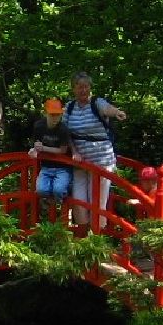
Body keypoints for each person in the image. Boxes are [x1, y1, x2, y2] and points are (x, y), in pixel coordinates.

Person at [63, 72, 127, 228]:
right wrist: (73, 151)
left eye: (86, 87)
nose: (83, 90)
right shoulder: (70, 108)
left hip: (101, 161)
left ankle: (98, 238)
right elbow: (63, 132)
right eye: (79, 87)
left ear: (90, 88)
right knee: (79, 201)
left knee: (97, 201)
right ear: (74, 89)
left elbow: (107, 109)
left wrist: (117, 112)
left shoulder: (96, 103)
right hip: (79, 162)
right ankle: (84, 237)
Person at [29, 98, 74, 216]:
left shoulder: (63, 129)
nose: (55, 118)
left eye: (57, 115)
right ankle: (51, 204)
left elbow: (63, 151)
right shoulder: (39, 126)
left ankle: (63, 196)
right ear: (46, 113)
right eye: (52, 115)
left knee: (58, 189)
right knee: (41, 190)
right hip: (46, 166)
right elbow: (35, 143)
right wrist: (34, 149)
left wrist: (43, 148)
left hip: (63, 167)